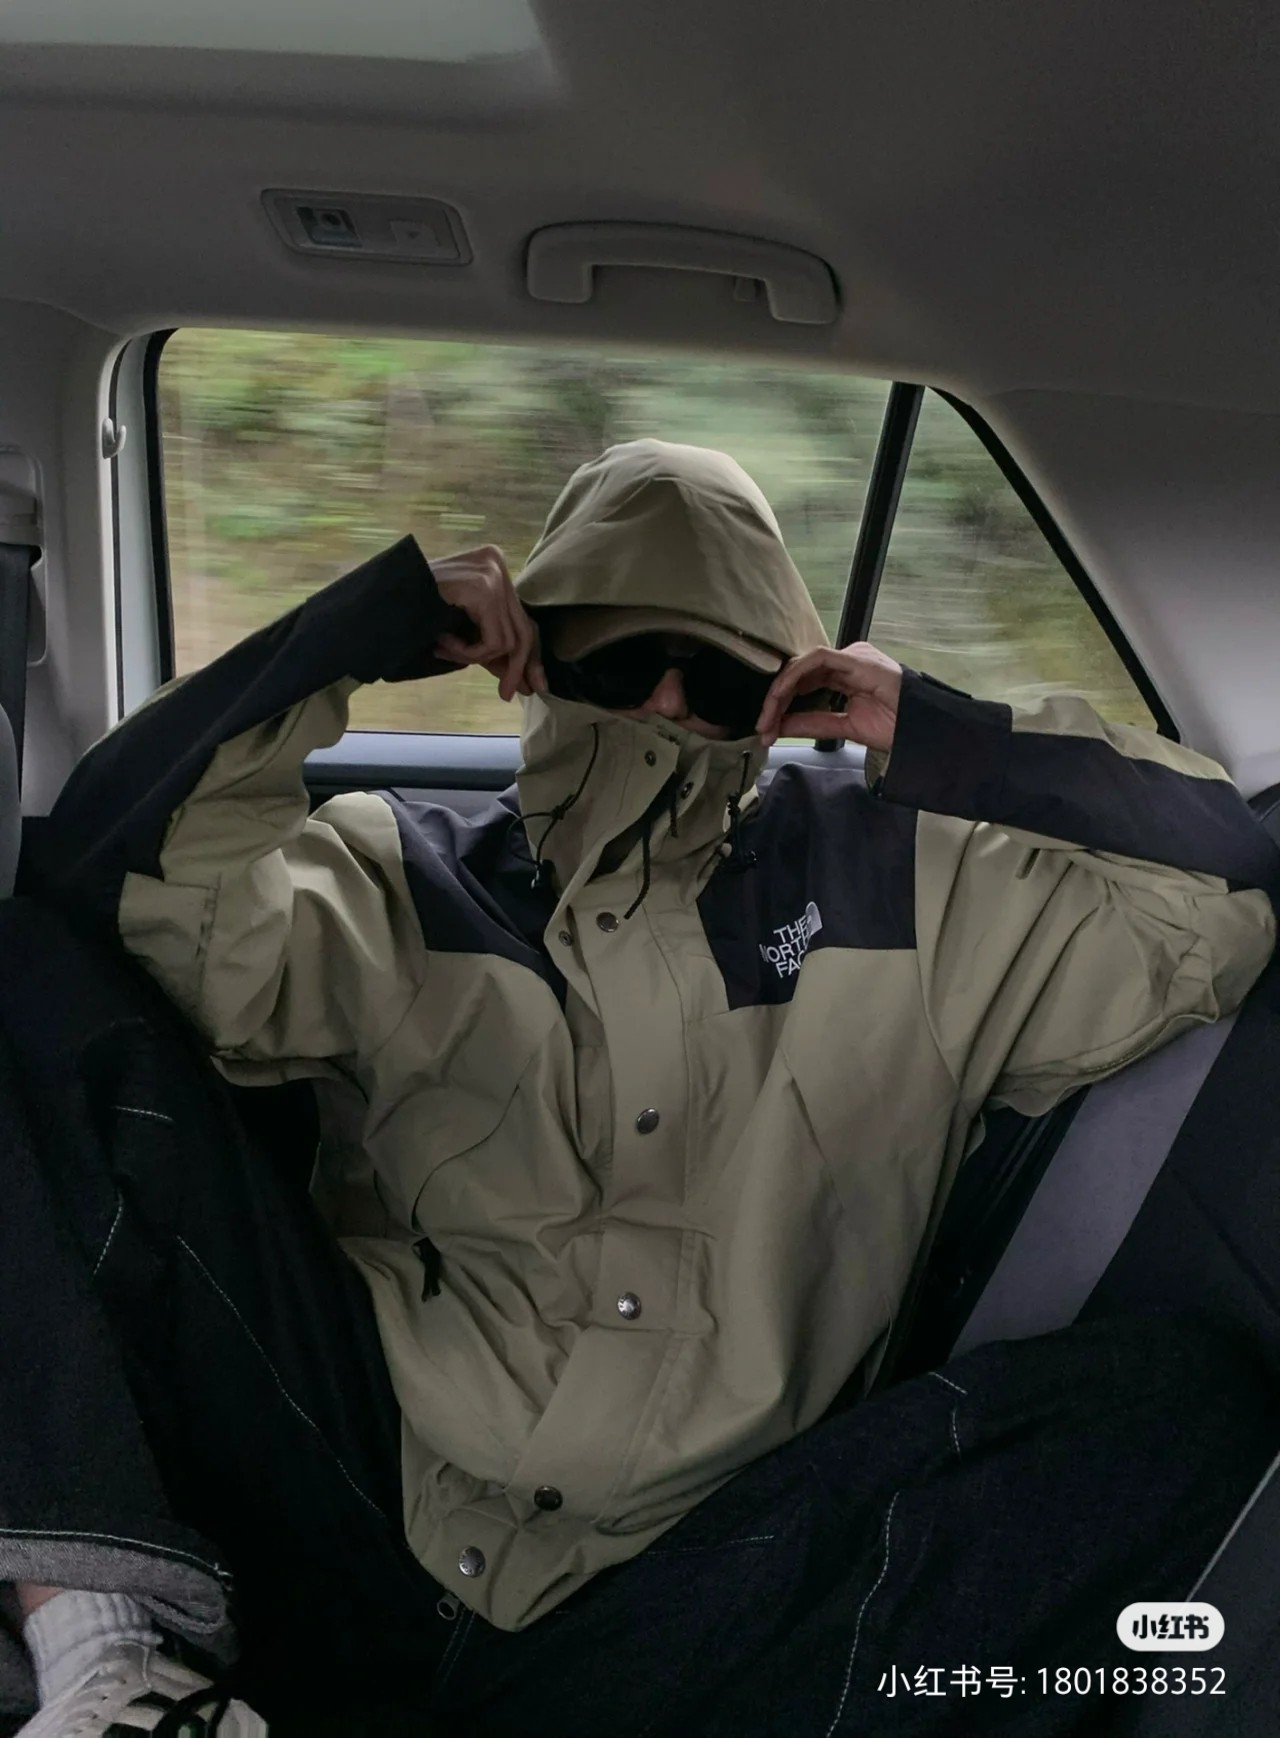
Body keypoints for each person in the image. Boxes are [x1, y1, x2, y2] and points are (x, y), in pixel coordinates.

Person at [3, 438, 1279, 1737]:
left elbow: (1226, 889)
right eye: (619, 662)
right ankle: (107, 1654)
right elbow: (105, 897)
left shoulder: (912, 895)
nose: (665, 706)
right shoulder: (393, 876)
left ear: (785, 695)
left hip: (700, 1591)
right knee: (18, 985)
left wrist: (942, 734)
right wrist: (357, 631)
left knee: (1182, 1410)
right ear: (537, 661)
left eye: (718, 679)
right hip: (366, 1495)